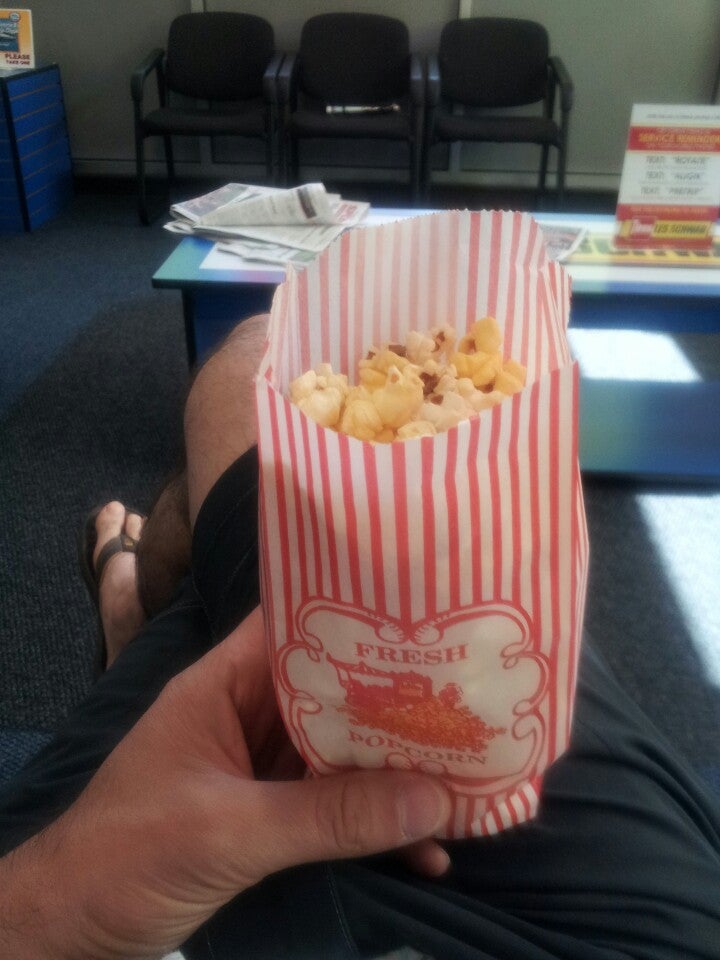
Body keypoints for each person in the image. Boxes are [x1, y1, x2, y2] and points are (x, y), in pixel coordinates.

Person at [1, 313, 720, 960]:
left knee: (251, 368)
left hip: (92, 890)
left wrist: (46, 909)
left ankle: (132, 620)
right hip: (592, 912)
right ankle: (140, 616)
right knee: (421, 606)